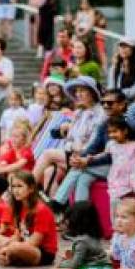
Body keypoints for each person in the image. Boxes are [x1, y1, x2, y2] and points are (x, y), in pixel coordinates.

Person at [14, 201, 109, 269]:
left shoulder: (82, 241)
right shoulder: (93, 236)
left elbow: (74, 264)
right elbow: (87, 256)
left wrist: (61, 264)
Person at [46, 77, 110, 210]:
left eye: (83, 91)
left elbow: (94, 146)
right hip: (79, 157)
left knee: (49, 155)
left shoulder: (101, 115)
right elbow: (70, 141)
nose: (78, 94)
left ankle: (54, 201)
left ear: (92, 93)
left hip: (95, 160)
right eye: (77, 91)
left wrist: (82, 157)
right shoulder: (79, 113)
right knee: (51, 171)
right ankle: (72, 216)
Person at [0, 170, 59, 267]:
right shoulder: (18, 207)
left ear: (31, 188)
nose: (15, 190)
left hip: (40, 251)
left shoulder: (41, 210)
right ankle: (3, 255)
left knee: (14, 247)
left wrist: (7, 248)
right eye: (13, 186)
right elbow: (17, 235)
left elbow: (34, 242)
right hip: (23, 244)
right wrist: (4, 245)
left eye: (19, 186)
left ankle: (0, 255)